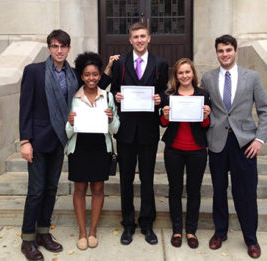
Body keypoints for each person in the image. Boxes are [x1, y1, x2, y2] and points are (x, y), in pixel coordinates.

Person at [201, 35, 267, 259]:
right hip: (218, 143)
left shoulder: (252, 77)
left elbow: (265, 110)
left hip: (245, 144)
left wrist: (259, 140)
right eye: (220, 51)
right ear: (217, 53)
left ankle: (251, 238)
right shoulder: (208, 78)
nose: (225, 54)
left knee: (246, 193)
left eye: (228, 50)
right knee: (219, 191)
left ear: (235, 51)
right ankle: (220, 232)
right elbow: (204, 107)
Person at [19, 29, 78, 261]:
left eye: (63, 46)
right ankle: (28, 239)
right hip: (38, 140)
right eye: (55, 46)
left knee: (51, 189)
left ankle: (44, 233)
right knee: (36, 191)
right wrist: (25, 141)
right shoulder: (34, 71)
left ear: (69, 48)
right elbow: (25, 107)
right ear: (49, 48)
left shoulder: (73, 75)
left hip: (59, 140)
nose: (59, 50)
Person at [111, 22, 168, 245]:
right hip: (125, 131)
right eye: (136, 37)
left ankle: (147, 222)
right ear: (130, 40)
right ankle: (128, 224)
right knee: (125, 179)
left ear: (149, 38)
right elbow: (114, 88)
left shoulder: (160, 63)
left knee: (146, 178)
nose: (140, 40)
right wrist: (116, 96)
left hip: (148, 130)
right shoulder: (120, 63)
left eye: (143, 36)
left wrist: (159, 99)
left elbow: (163, 90)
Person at [66, 52, 119, 250]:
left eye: (95, 74)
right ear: (81, 76)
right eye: (87, 74)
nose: (91, 78)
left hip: (100, 147)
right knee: (80, 190)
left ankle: (93, 230)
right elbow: (67, 131)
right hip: (79, 147)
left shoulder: (108, 96)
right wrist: (71, 123)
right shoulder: (73, 97)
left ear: (100, 75)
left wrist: (112, 119)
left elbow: (116, 129)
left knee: (98, 189)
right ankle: (81, 231)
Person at [160, 58, 211, 248]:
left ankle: (190, 231)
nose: (184, 76)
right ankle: (176, 230)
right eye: (180, 73)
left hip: (197, 150)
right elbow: (163, 123)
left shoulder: (203, 95)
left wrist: (206, 116)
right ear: (176, 76)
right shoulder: (169, 96)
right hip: (174, 149)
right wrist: (164, 115)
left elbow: (206, 125)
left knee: (194, 191)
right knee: (175, 190)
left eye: (187, 72)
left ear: (193, 74)